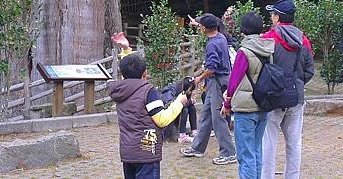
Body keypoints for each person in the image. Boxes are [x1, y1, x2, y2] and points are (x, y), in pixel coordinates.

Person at [107, 53, 188, 179]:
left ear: (123, 75)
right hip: (146, 151)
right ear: (145, 73)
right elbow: (162, 119)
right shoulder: (148, 91)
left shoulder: (120, 91)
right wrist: (179, 103)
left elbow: (130, 68)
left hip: (128, 152)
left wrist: (126, 49)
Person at [260, 0, 314, 179]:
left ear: (277, 17)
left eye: (272, 14)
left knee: (268, 143)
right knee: (294, 143)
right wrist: (296, 84)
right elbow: (309, 71)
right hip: (295, 98)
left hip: (272, 98)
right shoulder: (303, 40)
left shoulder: (268, 39)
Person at [221, 12, 274, 178]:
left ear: (243, 29)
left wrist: (227, 104)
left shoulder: (244, 51)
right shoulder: (267, 49)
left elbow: (234, 81)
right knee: (257, 151)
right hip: (262, 105)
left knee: (246, 155)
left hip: (245, 109)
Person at [180, 13, 237, 165]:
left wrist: (198, 79)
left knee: (219, 118)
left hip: (217, 83)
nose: (199, 28)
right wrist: (196, 22)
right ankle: (197, 148)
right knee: (206, 116)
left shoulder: (212, 44)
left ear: (205, 28)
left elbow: (211, 68)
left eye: (200, 26)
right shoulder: (221, 37)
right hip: (216, 83)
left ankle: (229, 152)